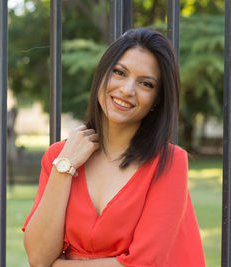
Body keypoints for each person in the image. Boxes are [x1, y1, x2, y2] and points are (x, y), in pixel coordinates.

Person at [22, 28, 206, 267]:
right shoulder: (58, 157)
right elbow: (38, 257)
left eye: (146, 84)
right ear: (102, 74)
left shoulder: (169, 162)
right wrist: (63, 168)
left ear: (157, 100)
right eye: (120, 72)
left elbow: (145, 263)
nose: (127, 90)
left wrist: (58, 265)